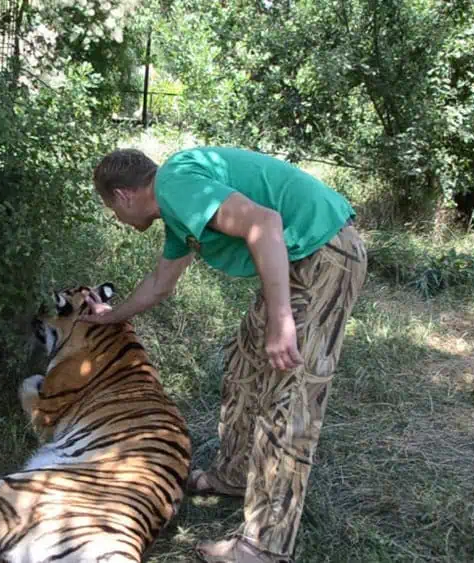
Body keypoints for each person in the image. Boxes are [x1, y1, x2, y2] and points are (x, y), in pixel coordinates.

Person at [81, 146, 367, 563]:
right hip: (296, 256)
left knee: (289, 398)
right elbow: (160, 284)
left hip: (323, 252)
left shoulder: (175, 184)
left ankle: (264, 547)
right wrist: (110, 317)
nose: (118, 219)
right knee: (244, 367)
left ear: (123, 196)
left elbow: (264, 223)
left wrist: (281, 319)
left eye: (112, 210)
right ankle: (233, 475)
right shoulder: (177, 212)